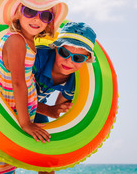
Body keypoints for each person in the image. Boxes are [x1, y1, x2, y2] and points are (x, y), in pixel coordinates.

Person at [0, 0, 68, 174]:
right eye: (30, 11)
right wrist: (25, 124)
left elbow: (27, 85)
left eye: (45, 15)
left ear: (49, 23)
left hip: (20, 113)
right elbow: (17, 84)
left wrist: (48, 109)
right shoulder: (16, 40)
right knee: (1, 169)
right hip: (8, 120)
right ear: (17, 14)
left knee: (41, 164)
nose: (36, 19)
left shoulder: (29, 43)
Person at [33, 21, 97, 174]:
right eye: (64, 53)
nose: (69, 61)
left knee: (48, 158)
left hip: (37, 109)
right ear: (56, 48)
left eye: (78, 58)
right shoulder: (37, 57)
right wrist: (48, 110)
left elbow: (59, 109)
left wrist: (56, 109)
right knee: (4, 157)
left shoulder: (75, 81)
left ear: (87, 59)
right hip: (8, 102)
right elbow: (14, 90)